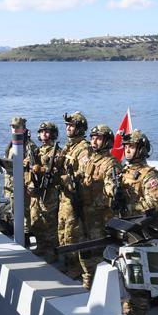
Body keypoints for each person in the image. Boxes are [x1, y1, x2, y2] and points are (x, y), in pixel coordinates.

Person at [103, 129, 158, 315]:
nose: (127, 150)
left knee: (137, 278)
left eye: (131, 146)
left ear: (142, 149)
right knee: (122, 272)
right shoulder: (123, 172)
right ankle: (126, 308)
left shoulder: (151, 176)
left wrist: (129, 206)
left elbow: (154, 205)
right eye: (126, 146)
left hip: (139, 233)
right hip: (123, 229)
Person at [77, 124, 121, 289]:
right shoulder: (90, 160)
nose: (94, 141)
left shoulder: (111, 164)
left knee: (98, 251)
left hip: (100, 216)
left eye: (99, 138)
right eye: (93, 138)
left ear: (107, 141)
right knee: (84, 249)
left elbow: (111, 190)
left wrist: (107, 191)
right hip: (85, 212)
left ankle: (100, 286)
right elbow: (81, 176)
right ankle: (88, 278)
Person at [56, 111, 92, 280]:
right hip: (64, 197)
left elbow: (84, 174)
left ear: (79, 128)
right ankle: (68, 263)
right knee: (62, 232)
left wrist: (68, 178)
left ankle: (76, 268)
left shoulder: (83, 149)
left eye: (72, 126)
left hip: (74, 197)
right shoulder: (69, 147)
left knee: (72, 234)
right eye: (67, 126)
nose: (68, 129)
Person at [27, 121, 60, 263]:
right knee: (36, 220)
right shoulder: (37, 151)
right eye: (41, 132)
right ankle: (40, 246)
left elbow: (57, 171)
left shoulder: (56, 152)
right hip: (36, 192)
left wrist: (41, 169)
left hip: (49, 192)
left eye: (46, 132)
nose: (43, 134)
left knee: (49, 223)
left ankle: (52, 251)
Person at [2, 116, 38, 235]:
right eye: (13, 127)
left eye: (17, 127)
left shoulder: (29, 145)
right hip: (12, 184)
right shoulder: (12, 144)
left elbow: (32, 165)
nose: (15, 129)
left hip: (23, 185)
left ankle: (25, 235)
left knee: (24, 213)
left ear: (24, 129)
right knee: (14, 210)